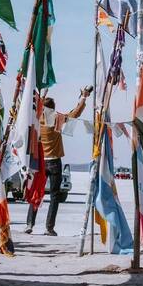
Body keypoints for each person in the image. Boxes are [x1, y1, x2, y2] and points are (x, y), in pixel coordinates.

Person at [24, 87, 91, 235]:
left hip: (40, 161)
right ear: (53, 109)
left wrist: (41, 95)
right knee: (54, 196)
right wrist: (83, 98)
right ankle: (49, 227)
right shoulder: (56, 118)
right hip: (54, 162)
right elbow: (74, 114)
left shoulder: (37, 119)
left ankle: (30, 224)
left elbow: (34, 106)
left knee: (37, 193)